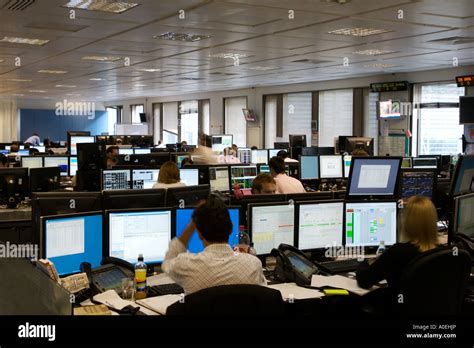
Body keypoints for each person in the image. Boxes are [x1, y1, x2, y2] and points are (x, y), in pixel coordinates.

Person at [162, 196, 266, 294]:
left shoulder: (185, 265)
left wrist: (193, 224)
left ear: (199, 233)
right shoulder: (253, 264)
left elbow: (168, 261)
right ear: (231, 229)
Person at [356, 196, 439, 291]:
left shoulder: (398, 252)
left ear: (407, 221)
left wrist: (364, 262)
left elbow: (364, 281)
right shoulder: (442, 252)